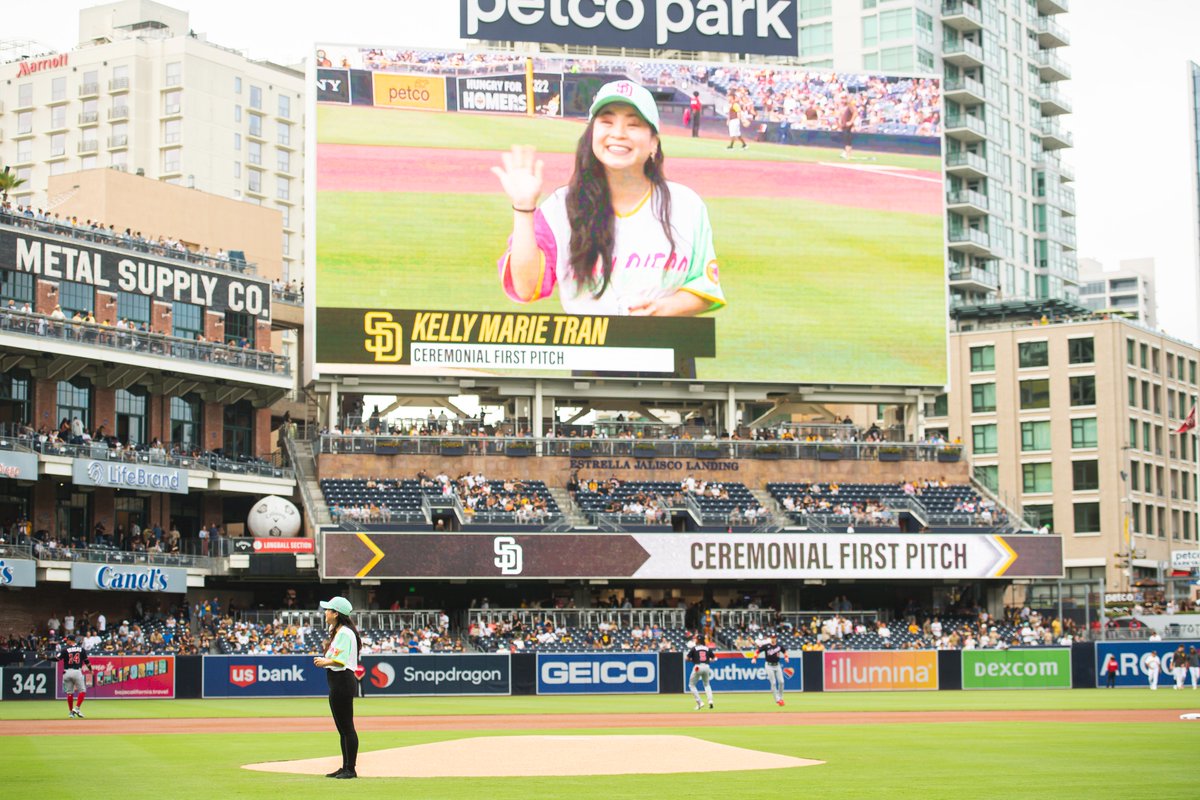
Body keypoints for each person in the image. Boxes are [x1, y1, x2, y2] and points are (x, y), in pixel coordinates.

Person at [493, 80, 725, 318]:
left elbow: (704, 285)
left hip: (666, 351)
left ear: (653, 143)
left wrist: (662, 309)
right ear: (592, 133)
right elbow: (525, 287)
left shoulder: (686, 205)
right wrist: (523, 208)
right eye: (606, 122)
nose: (618, 134)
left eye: (633, 125)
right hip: (587, 352)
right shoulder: (559, 208)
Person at [313, 596, 361, 779]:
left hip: (342, 680)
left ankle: (351, 768)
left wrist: (324, 661)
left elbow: (340, 662)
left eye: (328, 610)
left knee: (347, 727)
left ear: (336, 614)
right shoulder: (340, 630)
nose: (325, 612)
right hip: (338, 681)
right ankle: (345, 766)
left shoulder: (344, 633)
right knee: (343, 728)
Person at [751, 632, 790, 707]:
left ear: (776, 638)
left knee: (781, 681)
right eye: (772, 637)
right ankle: (777, 700)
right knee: (774, 683)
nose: (773, 639)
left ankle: (781, 698)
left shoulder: (779, 645)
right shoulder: (766, 646)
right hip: (769, 666)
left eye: (774, 637)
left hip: (777, 665)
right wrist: (754, 658)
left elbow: (785, 651)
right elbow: (757, 651)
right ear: (770, 638)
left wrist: (786, 657)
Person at [58, 633, 91, 718]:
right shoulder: (81, 649)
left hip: (66, 672)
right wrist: (90, 670)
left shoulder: (64, 649)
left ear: (70, 640)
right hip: (77, 672)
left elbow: (57, 659)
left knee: (69, 693)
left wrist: (47, 658)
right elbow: (87, 661)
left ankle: (71, 712)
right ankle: (76, 708)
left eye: (67, 640)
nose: (66, 642)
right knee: (82, 691)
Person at [687, 630, 716, 710]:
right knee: (707, 684)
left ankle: (700, 702)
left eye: (696, 639)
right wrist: (707, 660)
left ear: (699, 640)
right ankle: (710, 701)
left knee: (691, 685)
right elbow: (714, 658)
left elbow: (686, 658)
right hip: (706, 666)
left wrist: (692, 659)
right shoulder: (707, 648)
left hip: (698, 666)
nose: (695, 640)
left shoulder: (694, 648)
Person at [838, 93, 858, 160]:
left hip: (847, 125)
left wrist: (851, 122)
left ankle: (848, 155)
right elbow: (841, 116)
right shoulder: (841, 106)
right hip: (843, 125)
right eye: (842, 99)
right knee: (844, 139)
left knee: (847, 140)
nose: (843, 100)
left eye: (844, 99)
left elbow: (855, 113)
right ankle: (845, 152)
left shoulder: (849, 105)